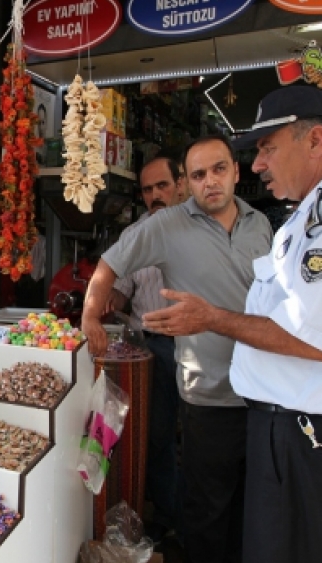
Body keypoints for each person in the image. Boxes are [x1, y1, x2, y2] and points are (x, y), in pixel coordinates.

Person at [143, 85, 322, 563]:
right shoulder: (313, 211)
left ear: (315, 140)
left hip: (312, 435)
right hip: (291, 429)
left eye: (268, 148)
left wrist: (212, 318)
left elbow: (313, 339)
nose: (260, 164)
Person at [82, 133, 272, 563]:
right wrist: (91, 317)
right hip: (209, 395)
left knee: (252, 507)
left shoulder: (260, 224)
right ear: (188, 181)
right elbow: (110, 263)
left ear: (236, 172)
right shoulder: (167, 225)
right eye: (199, 174)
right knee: (207, 511)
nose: (210, 182)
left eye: (219, 170)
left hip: (264, 391)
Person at [103, 155, 185, 542]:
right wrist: (104, 302)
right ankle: (168, 515)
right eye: (148, 189)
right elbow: (121, 294)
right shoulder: (135, 235)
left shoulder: (200, 228)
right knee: (156, 437)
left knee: (206, 439)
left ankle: (200, 522)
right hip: (151, 349)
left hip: (202, 346)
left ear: (181, 184)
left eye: (162, 186)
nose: (155, 196)